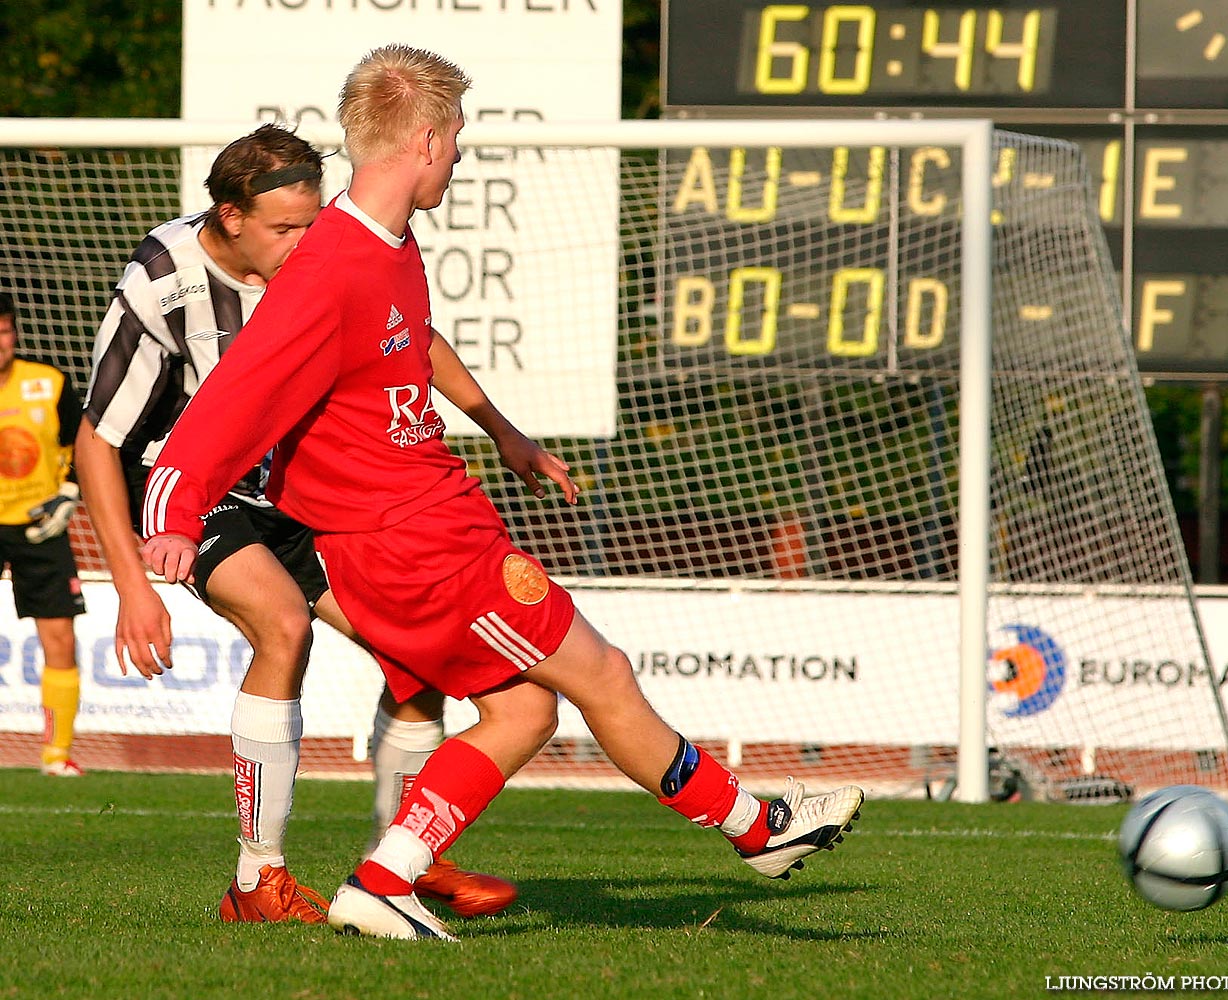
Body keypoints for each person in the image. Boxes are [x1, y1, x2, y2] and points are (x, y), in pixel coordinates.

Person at [140, 44, 864, 941]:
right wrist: (172, 512)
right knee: (600, 671)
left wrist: (503, 433)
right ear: (429, 140)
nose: (460, 156)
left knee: (524, 707)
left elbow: (405, 349)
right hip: (412, 541)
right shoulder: (329, 267)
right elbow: (231, 399)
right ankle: (756, 828)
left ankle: (386, 875)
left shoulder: (388, 244)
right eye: (458, 140)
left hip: (431, 522)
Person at [77, 124, 546, 925]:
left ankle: (401, 864)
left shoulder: (334, 252)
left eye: (310, 221)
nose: (303, 242)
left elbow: (411, 336)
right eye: (283, 228)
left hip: (300, 489)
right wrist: (133, 587)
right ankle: (258, 879)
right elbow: (98, 439)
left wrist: (499, 427)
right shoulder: (161, 276)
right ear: (230, 216)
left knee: (417, 655)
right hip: (197, 490)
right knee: (283, 626)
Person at [0, 292, 87, 777]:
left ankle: (57, 754)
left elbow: (81, 441)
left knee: (59, 638)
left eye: (5, 330)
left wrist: (69, 490)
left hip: (40, 526)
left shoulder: (48, 382)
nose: (1, 341)